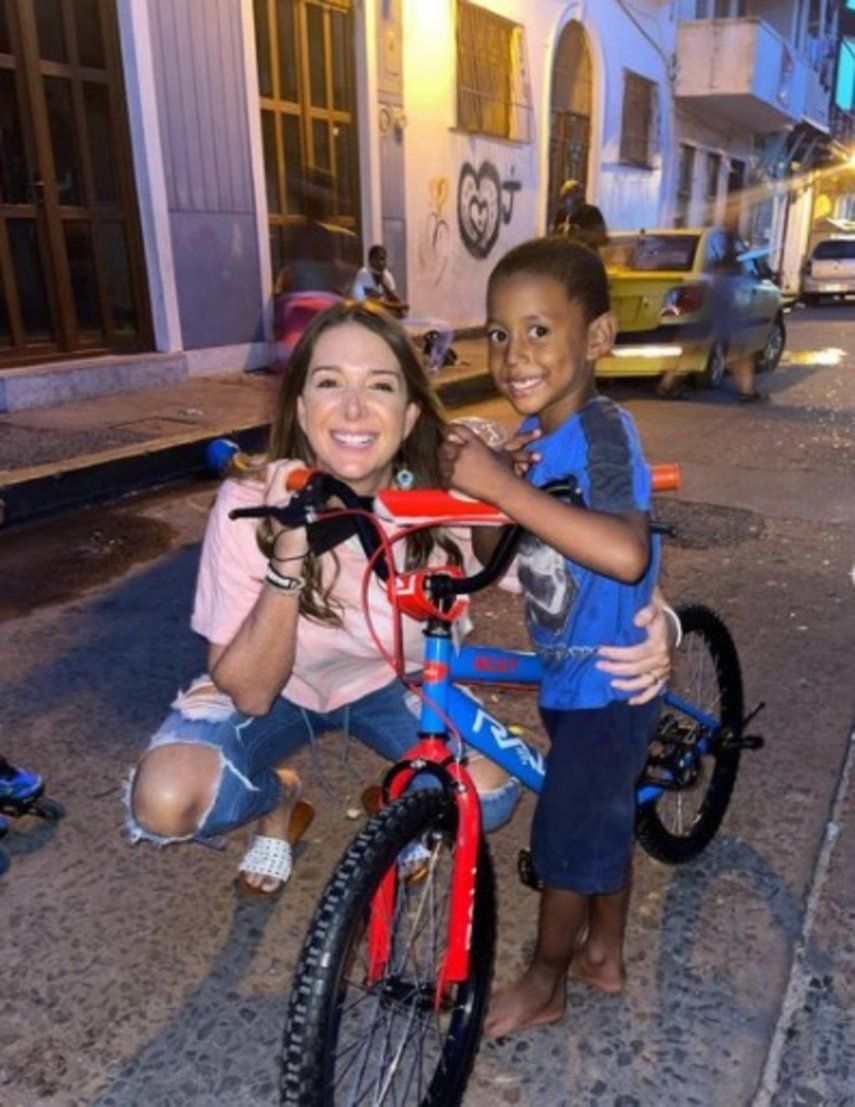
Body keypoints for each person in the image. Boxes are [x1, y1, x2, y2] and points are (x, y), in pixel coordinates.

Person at [127, 299, 674, 898]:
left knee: (487, 795)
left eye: (380, 386)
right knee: (167, 800)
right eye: (330, 382)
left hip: (396, 681)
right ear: (302, 407)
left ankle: (401, 801)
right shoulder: (249, 500)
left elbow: (588, 561)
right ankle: (280, 800)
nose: (354, 408)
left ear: (411, 414)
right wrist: (288, 555)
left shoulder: (448, 502)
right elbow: (251, 693)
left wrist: (658, 621)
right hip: (276, 689)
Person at [439, 236, 665, 1038]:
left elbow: (624, 549)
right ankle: (604, 949)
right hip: (570, 677)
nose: (512, 353)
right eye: (498, 333)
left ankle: (547, 980)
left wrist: (502, 484)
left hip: (610, 679)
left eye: (538, 330)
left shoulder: (603, 428)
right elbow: (502, 547)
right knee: (598, 814)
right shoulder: (542, 439)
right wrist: (502, 477)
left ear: (596, 338)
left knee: (564, 834)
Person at [271, 168, 360, 371]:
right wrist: (348, 271)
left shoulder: (300, 235)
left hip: (300, 305)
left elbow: (296, 272)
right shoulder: (320, 235)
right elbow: (325, 271)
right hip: (316, 305)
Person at [351, 244, 409, 319]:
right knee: (391, 313)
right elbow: (373, 302)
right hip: (360, 310)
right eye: (380, 259)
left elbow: (397, 301)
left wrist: (384, 285)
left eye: (384, 259)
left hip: (378, 310)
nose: (383, 262)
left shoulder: (386, 275)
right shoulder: (364, 273)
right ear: (370, 261)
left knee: (400, 314)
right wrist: (399, 306)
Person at [550, 179, 608, 253]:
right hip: (566, 256)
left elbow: (603, 238)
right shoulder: (561, 213)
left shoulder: (592, 212)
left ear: (579, 201)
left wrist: (580, 233)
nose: (564, 205)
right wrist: (558, 231)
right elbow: (553, 235)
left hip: (586, 256)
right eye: (563, 200)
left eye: (568, 200)